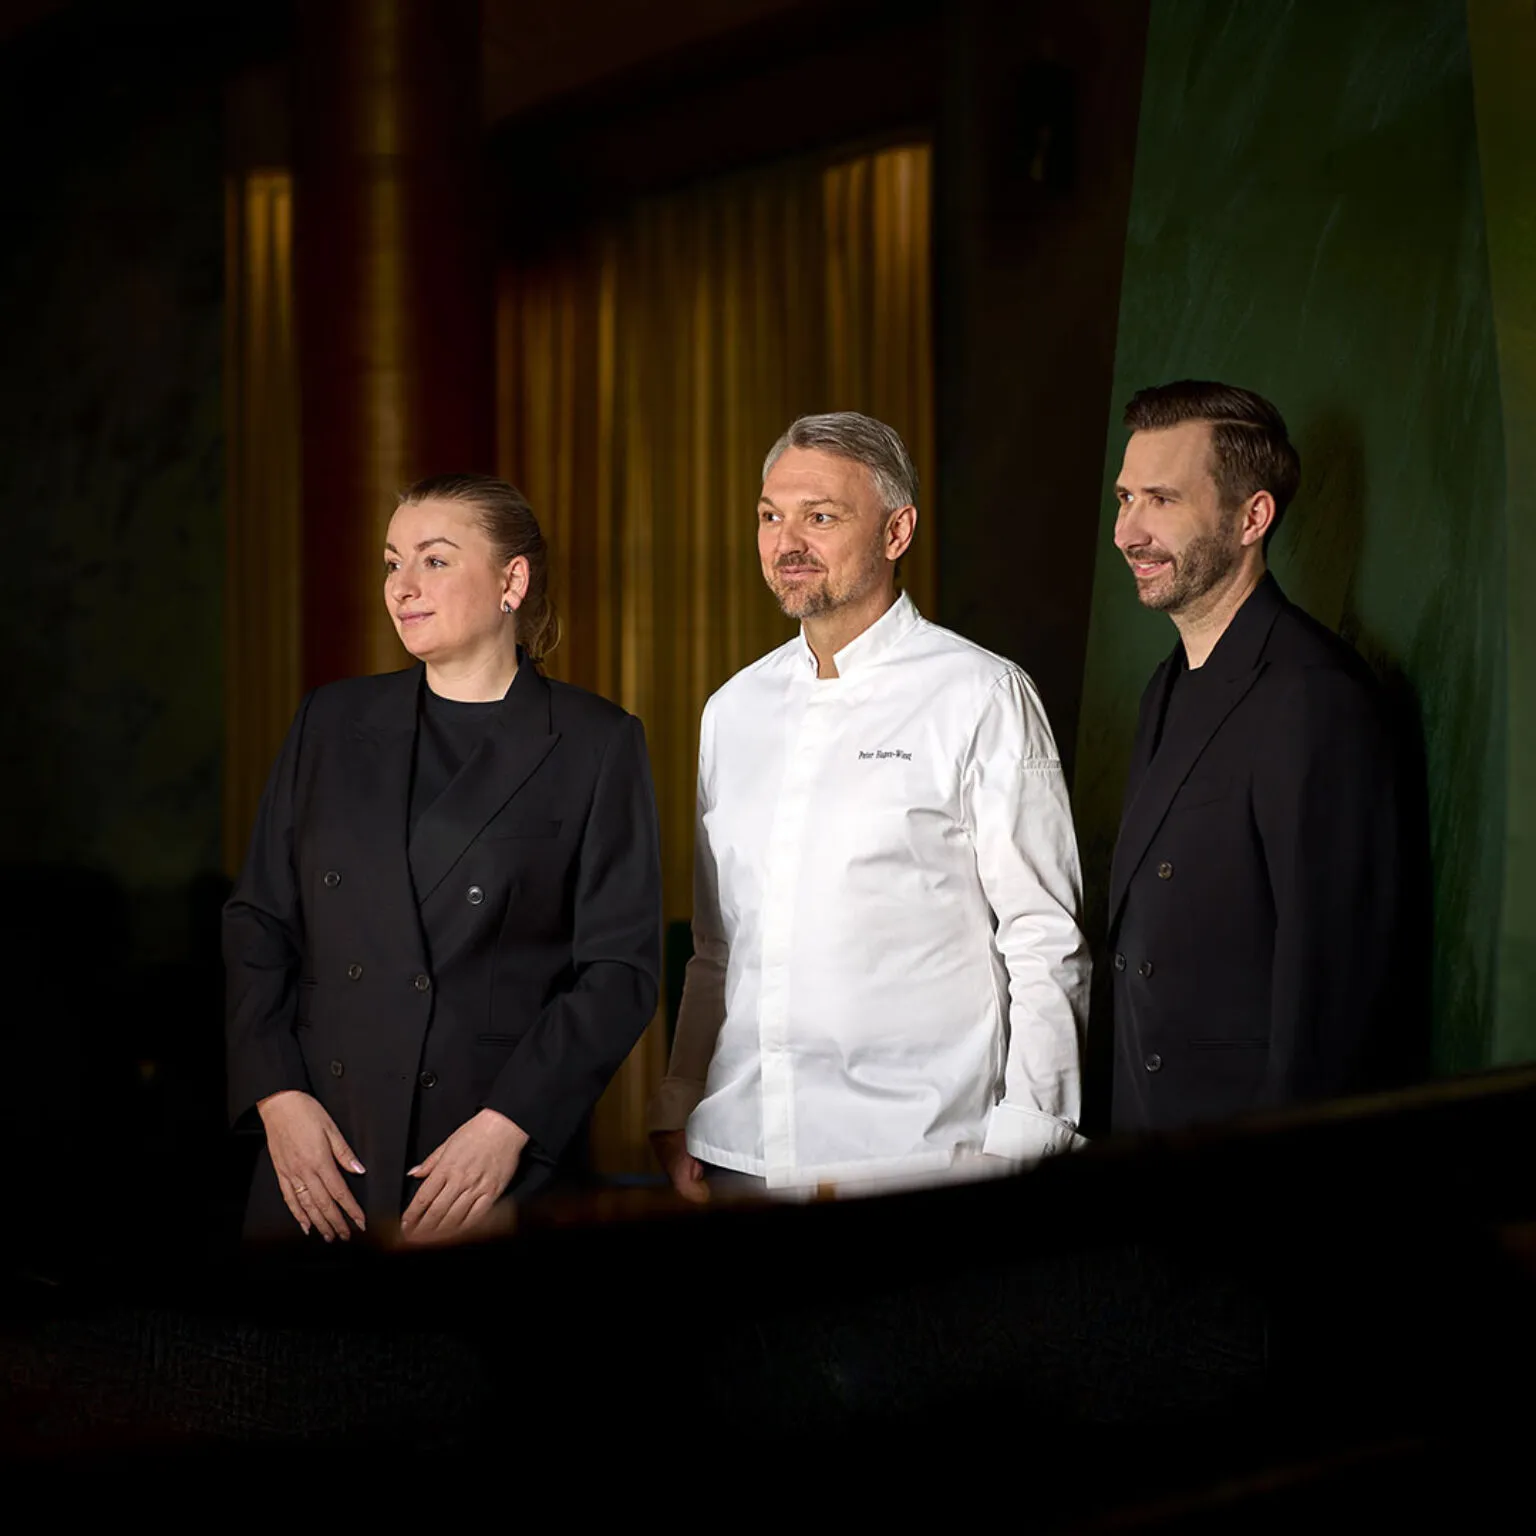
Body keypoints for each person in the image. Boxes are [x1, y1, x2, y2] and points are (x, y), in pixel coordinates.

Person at [649, 412, 1089, 1200]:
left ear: (896, 531)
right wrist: (681, 1101)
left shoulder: (981, 694)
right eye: (770, 516)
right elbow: (716, 948)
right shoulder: (732, 711)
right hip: (738, 1156)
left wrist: (1026, 1142)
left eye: (820, 517)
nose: (787, 542)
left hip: (921, 1162)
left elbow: (1043, 937)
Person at [224, 473, 663, 1246]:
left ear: (511, 581)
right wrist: (277, 1097)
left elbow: (618, 971)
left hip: (482, 1160)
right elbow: (259, 920)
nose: (402, 586)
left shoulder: (595, 742)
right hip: (318, 1151)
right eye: (392, 563)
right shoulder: (330, 721)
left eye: (434, 560)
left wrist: (510, 1125)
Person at [1105, 381, 1402, 1133]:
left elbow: (1329, 998)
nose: (1127, 532)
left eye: (1161, 500)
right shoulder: (1164, 686)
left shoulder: (1315, 693)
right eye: (1125, 498)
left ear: (1252, 517)